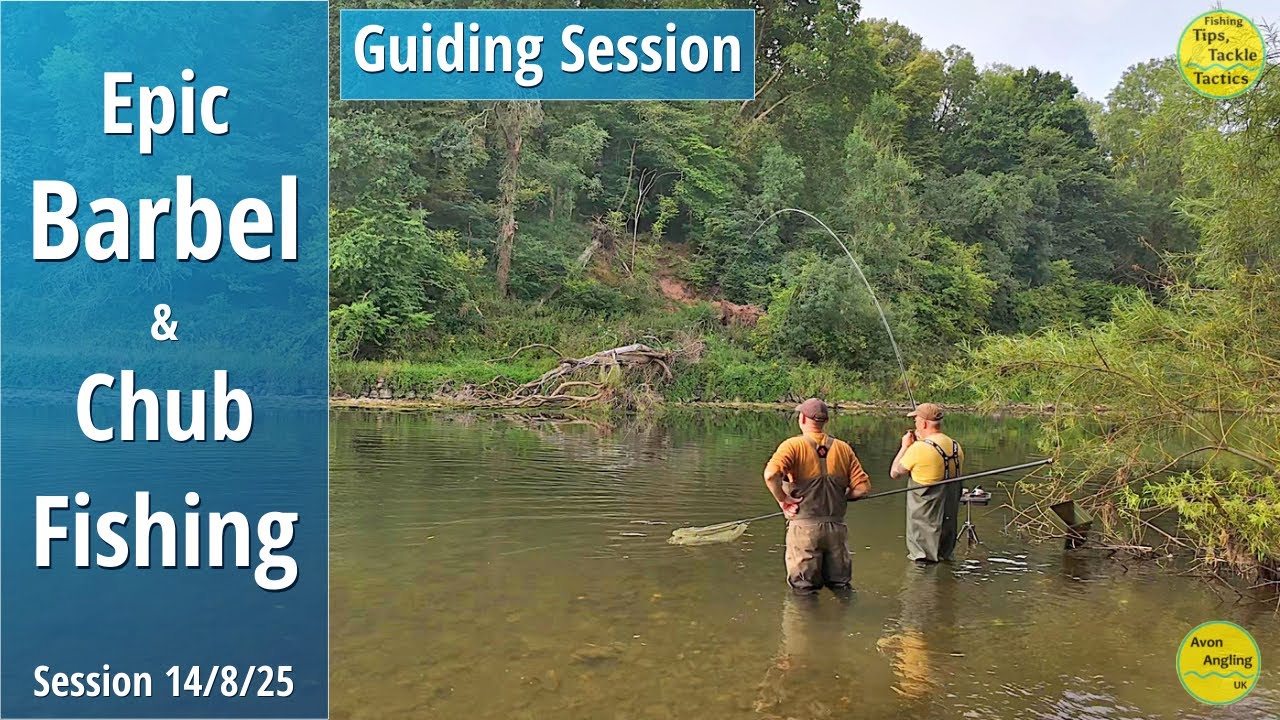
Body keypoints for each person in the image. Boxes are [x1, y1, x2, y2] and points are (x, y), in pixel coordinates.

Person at [763, 398, 871, 594]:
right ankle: (841, 622)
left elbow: (770, 475)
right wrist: (842, 497)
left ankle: (806, 622)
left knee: (803, 591)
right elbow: (862, 488)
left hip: (804, 531)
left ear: (802, 419)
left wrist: (783, 500)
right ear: (825, 421)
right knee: (841, 587)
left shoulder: (792, 446)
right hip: (837, 530)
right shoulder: (843, 448)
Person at [890, 402, 964, 563]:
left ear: (923, 423)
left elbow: (895, 472)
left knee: (922, 566)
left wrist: (905, 446)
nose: (914, 423)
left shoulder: (919, 449)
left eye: (915, 420)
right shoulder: (956, 446)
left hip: (924, 532)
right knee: (944, 560)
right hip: (947, 531)